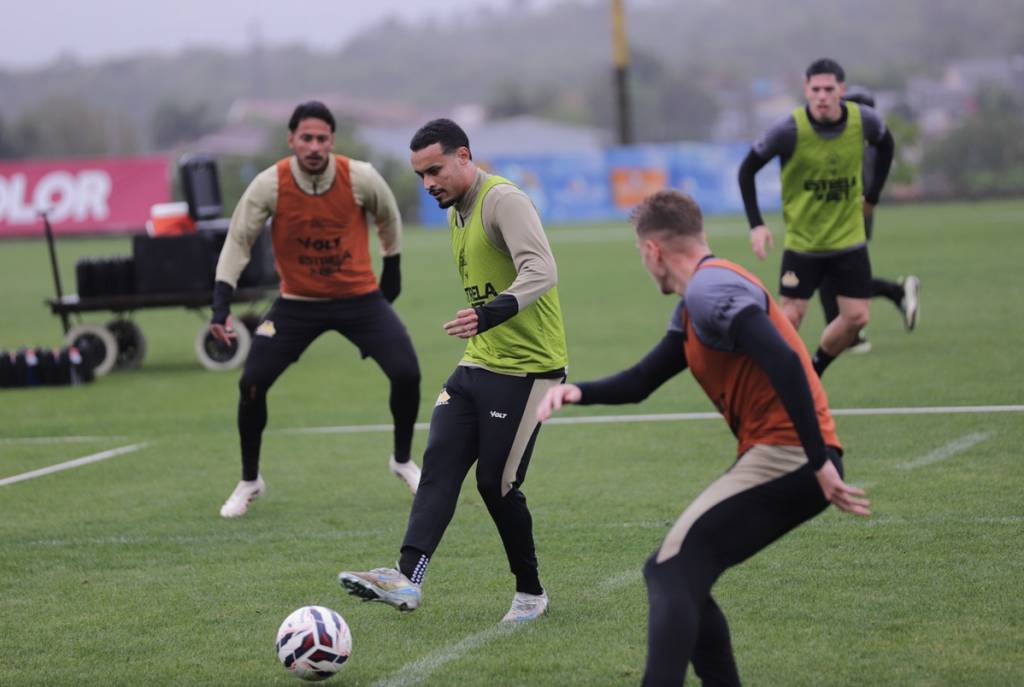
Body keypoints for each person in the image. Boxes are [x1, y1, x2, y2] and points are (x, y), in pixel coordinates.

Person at [536, 189, 871, 686]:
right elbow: (642, 381)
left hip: (790, 457)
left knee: (669, 571)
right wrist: (578, 392)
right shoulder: (699, 300)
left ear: (654, 251)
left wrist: (819, 461)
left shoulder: (709, 291)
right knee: (683, 576)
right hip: (787, 456)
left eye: (639, 253)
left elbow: (784, 359)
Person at [338, 118, 568, 623]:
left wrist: (488, 314)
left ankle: (531, 593)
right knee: (439, 463)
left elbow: (542, 270)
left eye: (435, 170)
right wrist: (484, 325)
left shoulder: (503, 200)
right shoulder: (455, 211)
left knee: (495, 484)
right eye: (420, 175)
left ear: (464, 156)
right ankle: (405, 578)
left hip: (530, 370)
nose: (428, 183)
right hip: (479, 361)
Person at [211, 100, 422, 518]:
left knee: (407, 373)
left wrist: (392, 268)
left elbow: (388, 216)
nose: (313, 146)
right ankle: (250, 480)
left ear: (332, 141)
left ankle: (402, 461)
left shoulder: (360, 177)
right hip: (297, 304)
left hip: (359, 299)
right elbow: (238, 241)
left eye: (321, 138)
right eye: (306, 138)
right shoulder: (269, 184)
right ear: (291, 139)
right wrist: (220, 305)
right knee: (251, 383)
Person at [737, 58, 895, 376]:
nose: (822, 96)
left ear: (841, 90)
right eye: (816, 89)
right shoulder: (788, 130)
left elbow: (886, 145)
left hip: (848, 240)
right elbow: (747, 171)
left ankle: (813, 370)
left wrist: (872, 196)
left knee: (857, 317)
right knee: (790, 316)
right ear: (806, 90)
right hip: (803, 243)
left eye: (829, 89)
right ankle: (769, 379)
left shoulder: (863, 120)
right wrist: (757, 225)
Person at [819, 85, 920, 354]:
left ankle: (893, 295)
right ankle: (850, 334)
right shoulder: (871, 144)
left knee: (832, 276)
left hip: (847, 219)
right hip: (854, 218)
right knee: (833, 276)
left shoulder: (859, 145)